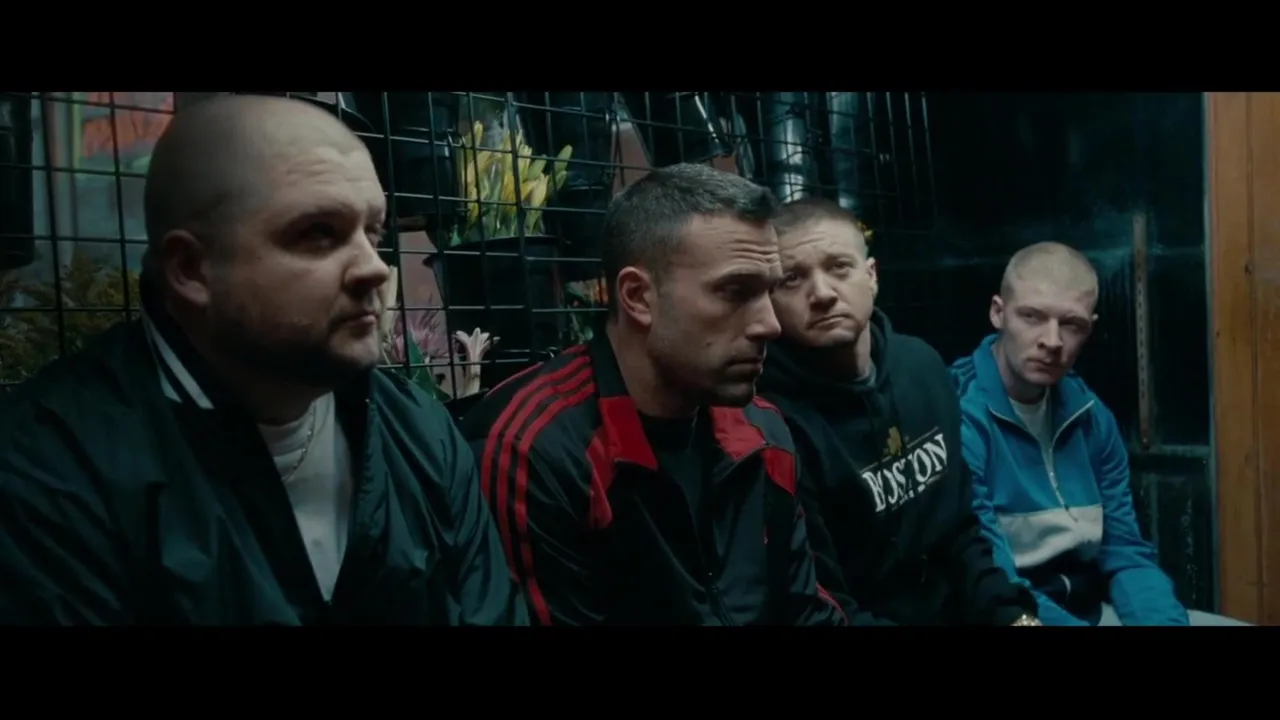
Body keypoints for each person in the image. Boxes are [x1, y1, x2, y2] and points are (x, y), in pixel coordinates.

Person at [0, 95, 526, 626]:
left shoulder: (419, 433)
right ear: (191, 269)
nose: (374, 268)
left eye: (374, 234)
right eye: (318, 234)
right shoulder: (50, 474)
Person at [458, 164, 846, 626]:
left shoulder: (763, 434)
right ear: (638, 296)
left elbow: (806, 612)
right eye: (734, 291)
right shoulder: (534, 451)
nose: (770, 324)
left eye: (768, 291)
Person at [756, 197, 1041, 625]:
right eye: (792, 279)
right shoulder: (770, 421)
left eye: (839, 267)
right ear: (770, 299)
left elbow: (959, 530)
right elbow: (818, 603)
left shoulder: (921, 367)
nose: (822, 294)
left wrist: (1015, 617)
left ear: (871, 276)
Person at [950, 241, 1247, 626]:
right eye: (1032, 316)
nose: (1052, 340)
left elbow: (1125, 553)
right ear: (998, 313)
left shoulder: (1090, 416)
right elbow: (992, 581)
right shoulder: (957, 414)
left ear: (1089, 328)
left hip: (1086, 608)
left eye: (1070, 324)